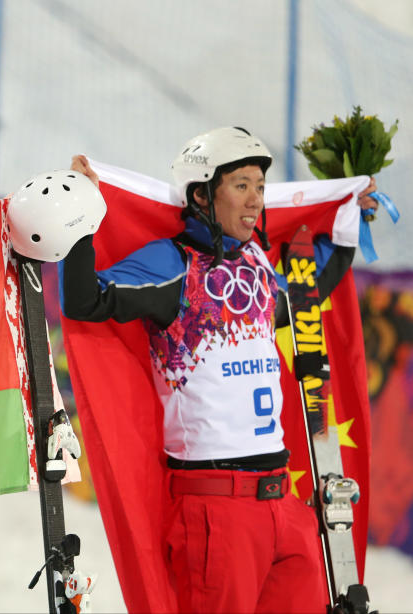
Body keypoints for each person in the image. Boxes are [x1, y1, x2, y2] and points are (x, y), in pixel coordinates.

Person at [57, 127, 379, 613]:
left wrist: (349, 214)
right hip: (216, 510)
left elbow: (309, 293)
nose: (255, 201)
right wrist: (79, 216)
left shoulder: (258, 263)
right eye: (241, 185)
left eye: (261, 187)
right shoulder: (173, 263)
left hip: (284, 505)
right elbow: (86, 300)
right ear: (202, 193)